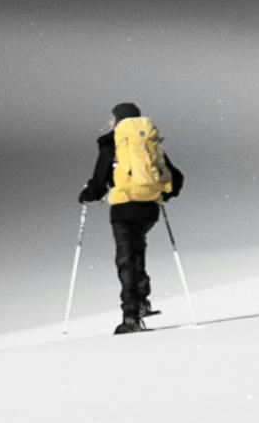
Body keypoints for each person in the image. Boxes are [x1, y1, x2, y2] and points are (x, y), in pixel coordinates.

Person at [77, 102, 184, 334]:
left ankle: (131, 316)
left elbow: (99, 180)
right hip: (149, 209)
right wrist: (164, 194)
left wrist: (88, 194)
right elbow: (177, 177)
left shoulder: (113, 142)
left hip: (124, 208)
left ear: (119, 120)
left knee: (126, 258)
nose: (109, 122)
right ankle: (142, 302)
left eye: (112, 118)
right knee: (136, 251)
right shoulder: (148, 143)